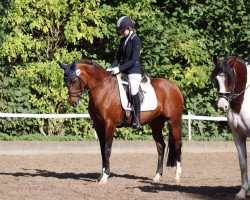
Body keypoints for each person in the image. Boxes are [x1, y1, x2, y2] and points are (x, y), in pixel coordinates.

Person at [107, 16, 142, 129]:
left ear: (128, 27)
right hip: (124, 71)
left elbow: (133, 60)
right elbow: (118, 57)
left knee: (133, 90)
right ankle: (122, 115)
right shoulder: (123, 40)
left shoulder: (136, 40)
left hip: (134, 71)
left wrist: (119, 69)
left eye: (123, 31)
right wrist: (111, 67)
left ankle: (137, 119)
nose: (121, 33)